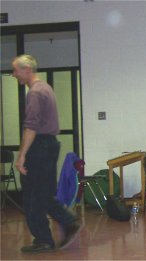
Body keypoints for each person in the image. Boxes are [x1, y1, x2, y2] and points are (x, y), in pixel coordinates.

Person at [12, 54, 82, 253]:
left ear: (27, 70)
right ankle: (59, 227)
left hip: (39, 146)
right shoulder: (46, 88)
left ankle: (49, 235)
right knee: (43, 193)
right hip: (50, 145)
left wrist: (22, 155)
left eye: (16, 70)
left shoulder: (34, 93)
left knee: (32, 195)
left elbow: (31, 126)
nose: (14, 74)